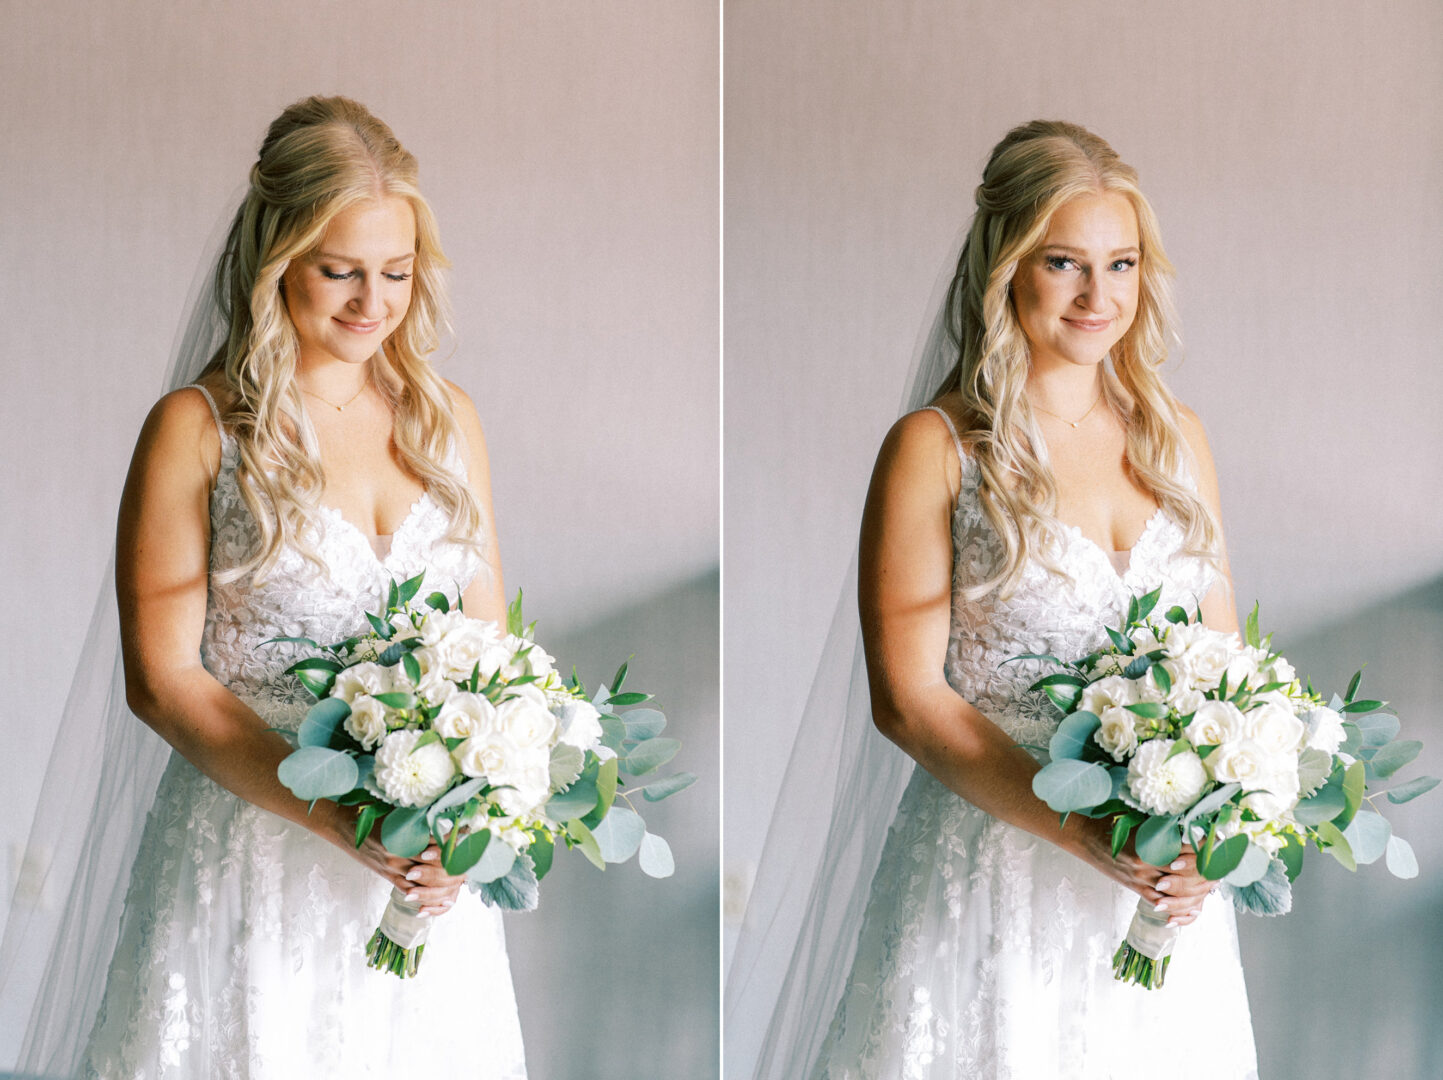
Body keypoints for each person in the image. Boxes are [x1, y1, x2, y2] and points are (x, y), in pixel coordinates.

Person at [727, 121, 1258, 1078]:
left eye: (1121, 263)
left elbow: (1226, 673)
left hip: (1159, 888)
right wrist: (1083, 831)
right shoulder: (935, 449)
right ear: (1005, 267)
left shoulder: (1179, 438)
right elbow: (906, 700)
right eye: (1064, 263)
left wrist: (1210, 828)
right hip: (993, 875)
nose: (1100, 297)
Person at [12, 96, 527, 1077]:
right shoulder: (198, 430)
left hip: (418, 876)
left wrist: (473, 809)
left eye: (396, 273)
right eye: (338, 271)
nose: (372, 303)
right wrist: (338, 816)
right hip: (252, 853)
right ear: (273, 257)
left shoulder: (447, 419)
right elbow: (162, 679)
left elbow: (485, 649)